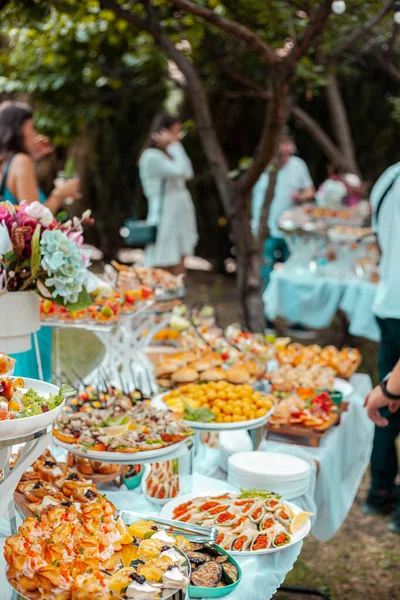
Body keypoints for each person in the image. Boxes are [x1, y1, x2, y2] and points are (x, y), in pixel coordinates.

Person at [0, 101, 81, 381]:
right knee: (30, 346)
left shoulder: (8, 162)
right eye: (30, 128)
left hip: (7, 277)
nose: (34, 134)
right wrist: (61, 193)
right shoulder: (20, 162)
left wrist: (32, 157)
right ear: (17, 129)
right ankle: (34, 418)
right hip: (25, 278)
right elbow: (36, 219)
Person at [363, 162, 400, 533]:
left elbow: (380, 239)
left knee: (387, 407)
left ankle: (379, 491)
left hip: (390, 302)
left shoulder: (389, 177)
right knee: (388, 397)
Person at [251, 134, 315, 290]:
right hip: (265, 228)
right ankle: (265, 304)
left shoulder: (298, 166)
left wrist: (299, 196)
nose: (284, 157)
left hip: (290, 230)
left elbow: (310, 191)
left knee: (290, 269)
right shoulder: (260, 166)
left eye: (287, 153)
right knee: (265, 269)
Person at [138, 115, 198, 276]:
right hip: (166, 216)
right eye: (174, 133)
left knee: (180, 256)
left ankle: (175, 297)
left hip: (178, 215)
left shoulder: (166, 156)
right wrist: (175, 146)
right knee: (163, 260)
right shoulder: (152, 156)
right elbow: (184, 171)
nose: (177, 138)